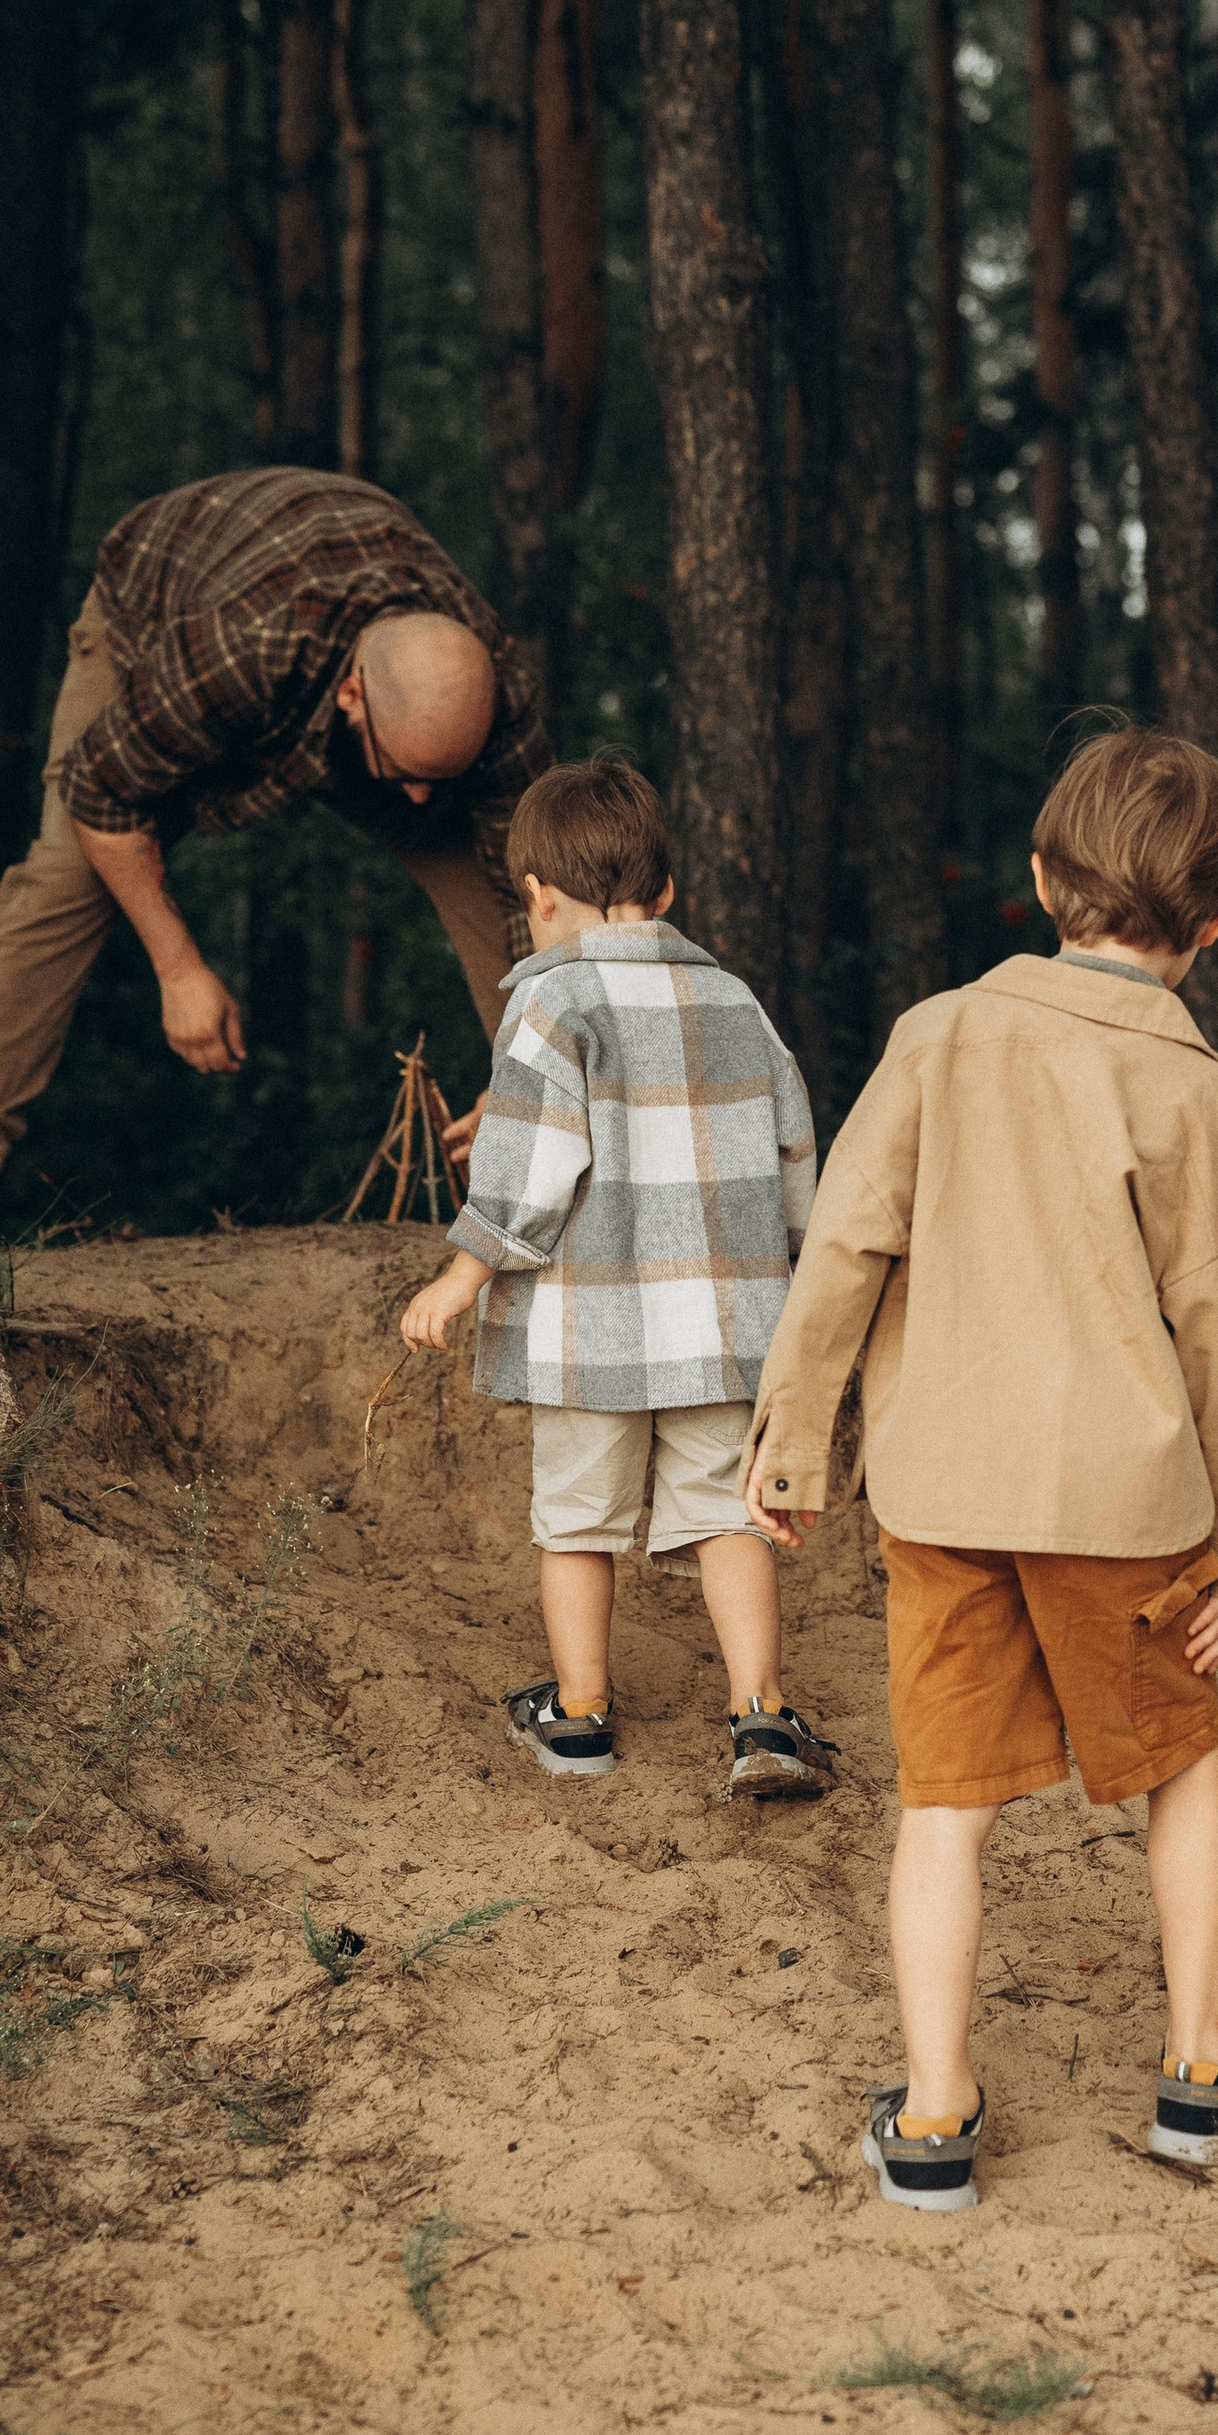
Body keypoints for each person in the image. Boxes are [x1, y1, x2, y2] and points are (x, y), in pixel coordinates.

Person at [742, 728, 1218, 2216]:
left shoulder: (937, 1037)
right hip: (1127, 1511)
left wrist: (792, 1443)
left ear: (1043, 878)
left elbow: (845, 1240)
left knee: (944, 1801)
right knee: (1181, 1765)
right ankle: (1200, 2071)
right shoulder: (1207, 1102)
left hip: (942, 1493)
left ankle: (934, 2114)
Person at [0, 467, 550, 1230]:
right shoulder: (242, 648)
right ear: (352, 695)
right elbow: (100, 791)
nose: (419, 802)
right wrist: (178, 966)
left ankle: (559, 1160)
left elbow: (541, 894)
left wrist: (529, 1078)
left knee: (509, 881)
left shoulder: (500, 689)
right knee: (66, 872)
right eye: (409, 776)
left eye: (441, 777)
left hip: (338, 669)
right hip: (153, 619)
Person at [398, 755, 837, 1804]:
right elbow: (791, 1148)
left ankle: (581, 1715)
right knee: (727, 1513)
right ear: (667, 890)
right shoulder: (735, 1001)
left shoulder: (551, 1004)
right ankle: (762, 1714)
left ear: (538, 897)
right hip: (724, 1326)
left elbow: (530, 1169)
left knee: (577, 1519)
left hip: (586, 1333)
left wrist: (462, 1274)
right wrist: (790, 1267)